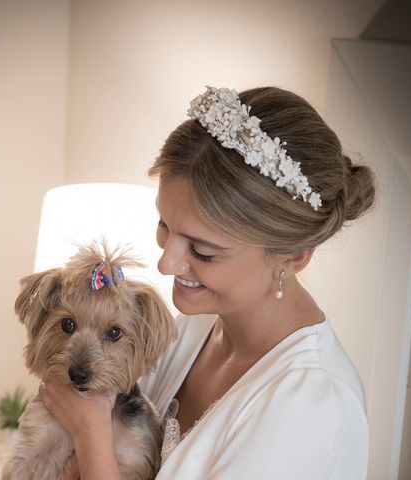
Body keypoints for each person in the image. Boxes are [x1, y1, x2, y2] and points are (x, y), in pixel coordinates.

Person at [40, 85, 375, 479]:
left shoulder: (312, 405)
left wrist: (89, 431)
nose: (166, 264)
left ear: (294, 255)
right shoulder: (196, 325)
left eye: (202, 251)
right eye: (164, 225)